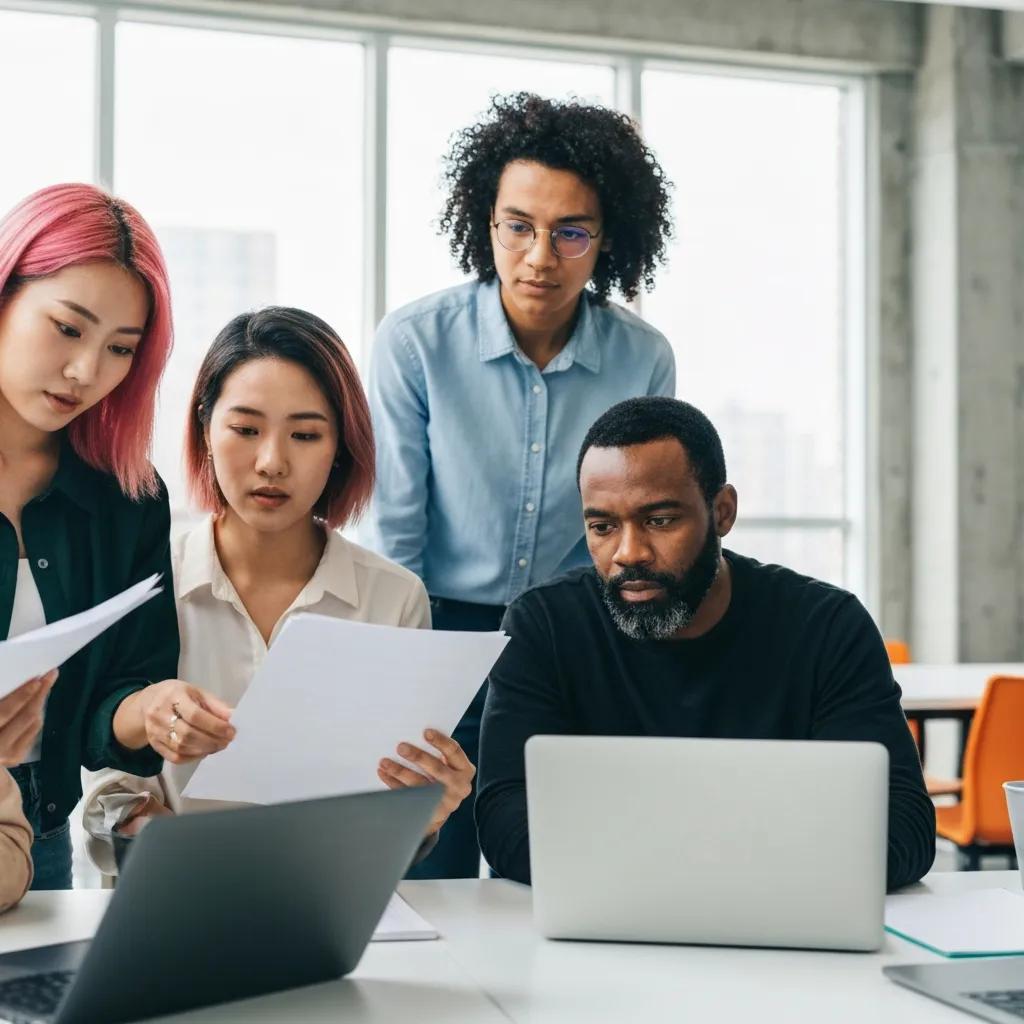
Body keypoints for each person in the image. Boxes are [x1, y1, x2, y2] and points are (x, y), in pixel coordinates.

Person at [368, 92, 676, 878]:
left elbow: (644, 527)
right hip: (436, 630)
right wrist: (402, 676)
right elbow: (397, 532)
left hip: (572, 634)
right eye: (519, 226)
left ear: (608, 240)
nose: (541, 256)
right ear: (487, 222)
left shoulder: (643, 359)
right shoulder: (414, 344)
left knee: (561, 872)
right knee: (425, 871)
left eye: (571, 231)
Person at [476, 397, 936, 892]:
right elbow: (505, 822)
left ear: (722, 512)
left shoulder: (827, 627)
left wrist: (672, 865)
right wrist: (727, 860)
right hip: (606, 926)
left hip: (777, 932)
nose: (629, 553)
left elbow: (902, 829)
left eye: (660, 520)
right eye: (603, 527)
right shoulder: (542, 626)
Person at [83, 307, 474, 874]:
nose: (272, 462)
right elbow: (102, 794)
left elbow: (393, 817)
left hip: (331, 900)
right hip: (168, 900)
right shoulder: (139, 585)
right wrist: (160, 836)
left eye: (306, 435)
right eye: (245, 430)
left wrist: (426, 808)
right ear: (205, 432)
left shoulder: (394, 598)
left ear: (340, 446)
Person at [0, 183, 198, 890]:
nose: (88, 372)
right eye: (67, 327)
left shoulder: (127, 495)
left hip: (33, 842)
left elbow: (107, 704)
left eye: (121, 348)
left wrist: (149, 711)